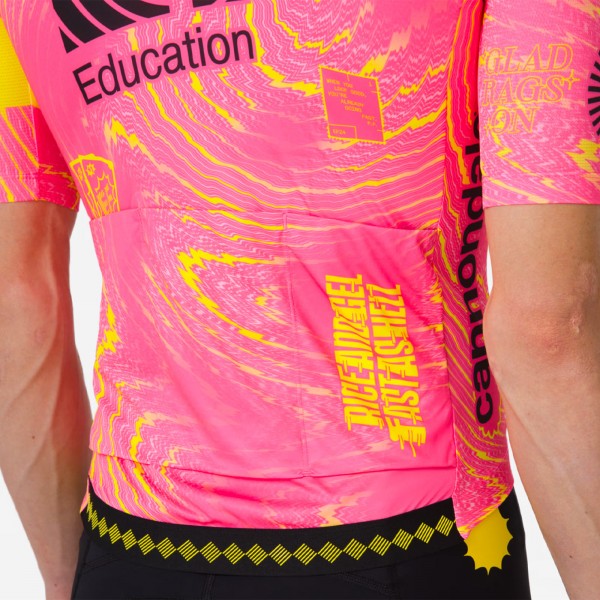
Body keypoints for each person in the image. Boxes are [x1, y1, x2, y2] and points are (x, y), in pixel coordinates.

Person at [0, 0, 597, 598]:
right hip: (406, 538)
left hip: (131, 544)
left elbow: (14, 298)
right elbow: (550, 324)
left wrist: (71, 578)